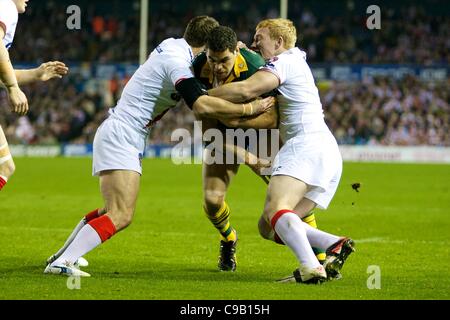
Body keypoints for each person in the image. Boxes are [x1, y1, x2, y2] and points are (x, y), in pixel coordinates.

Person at [44, 16, 274, 277]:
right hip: (124, 133)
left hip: (122, 131)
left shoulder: (172, 46)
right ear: (205, 46)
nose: (212, 64)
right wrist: (249, 108)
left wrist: (237, 48)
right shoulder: (178, 63)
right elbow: (200, 104)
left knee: (110, 210)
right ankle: (64, 263)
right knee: (121, 214)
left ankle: (63, 256)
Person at [208, 18, 355, 283]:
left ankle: (310, 267)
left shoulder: (284, 62)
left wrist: (202, 96)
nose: (254, 42)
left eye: (259, 37)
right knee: (268, 226)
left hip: (305, 146)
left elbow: (246, 89)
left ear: (278, 42)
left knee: (276, 207)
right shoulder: (294, 61)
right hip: (324, 151)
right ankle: (334, 244)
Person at [192, 25, 276, 272]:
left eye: (224, 60)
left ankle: (320, 255)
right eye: (212, 60)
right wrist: (247, 156)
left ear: (236, 52)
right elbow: (207, 128)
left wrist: (238, 120)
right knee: (211, 201)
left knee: (286, 194)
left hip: (261, 131)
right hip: (223, 134)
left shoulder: (254, 65)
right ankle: (229, 238)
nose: (217, 67)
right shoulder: (198, 68)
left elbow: (272, 118)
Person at [0, 0, 68, 191]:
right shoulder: (6, 6)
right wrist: (13, 87)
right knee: (4, 166)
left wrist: (35, 74)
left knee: (5, 166)